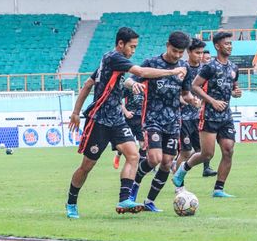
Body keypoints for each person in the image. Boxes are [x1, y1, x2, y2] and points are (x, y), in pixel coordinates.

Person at [65, 27, 187, 218]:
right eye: (132, 46)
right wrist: (171, 72)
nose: (133, 51)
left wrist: (75, 111)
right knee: (87, 166)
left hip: (117, 120)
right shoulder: (113, 58)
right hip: (99, 120)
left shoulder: (113, 63)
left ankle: (124, 199)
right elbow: (139, 71)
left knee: (134, 155)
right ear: (120, 44)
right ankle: (71, 202)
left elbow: (89, 83)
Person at [127, 31, 193, 211]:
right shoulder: (151, 63)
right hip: (152, 119)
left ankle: (150, 201)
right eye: (174, 51)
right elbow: (128, 81)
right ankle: (135, 185)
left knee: (166, 162)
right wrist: (135, 85)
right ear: (167, 45)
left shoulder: (184, 67)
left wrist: (193, 99)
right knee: (154, 158)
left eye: (181, 52)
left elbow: (185, 93)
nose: (177, 55)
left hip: (173, 122)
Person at [172, 31, 242, 197]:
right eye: (226, 43)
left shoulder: (234, 68)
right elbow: (195, 87)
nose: (230, 46)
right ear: (217, 46)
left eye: (231, 43)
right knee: (207, 154)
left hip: (226, 116)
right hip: (209, 114)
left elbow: (233, 88)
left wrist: (236, 92)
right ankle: (182, 169)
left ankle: (219, 189)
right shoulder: (209, 67)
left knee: (228, 150)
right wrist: (212, 101)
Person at [175, 38, 208, 176]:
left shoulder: (204, 69)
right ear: (189, 52)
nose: (200, 56)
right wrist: (187, 101)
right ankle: (178, 181)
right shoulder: (182, 68)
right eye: (197, 53)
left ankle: (175, 168)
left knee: (203, 152)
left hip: (198, 116)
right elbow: (174, 91)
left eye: (201, 53)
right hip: (183, 117)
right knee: (186, 151)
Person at [112, 79, 145, 170]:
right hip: (129, 118)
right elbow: (118, 99)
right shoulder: (130, 86)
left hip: (141, 119)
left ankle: (140, 166)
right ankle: (118, 156)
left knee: (143, 144)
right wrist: (126, 112)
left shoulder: (147, 85)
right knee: (125, 143)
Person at [199, 50, 218, 177]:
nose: (208, 60)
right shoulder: (197, 72)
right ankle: (177, 165)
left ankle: (206, 168)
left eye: (210, 58)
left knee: (205, 149)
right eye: (206, 58)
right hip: (188, 114)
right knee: (188, 149)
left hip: (205, 112)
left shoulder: (211, 72)